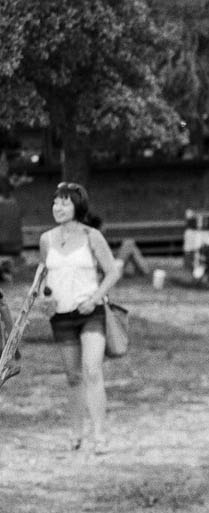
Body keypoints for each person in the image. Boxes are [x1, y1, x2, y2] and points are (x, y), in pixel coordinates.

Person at [38, 182, 121, 453]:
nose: (58, 208)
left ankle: (100, 435)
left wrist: (94, 299)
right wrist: (42, 296)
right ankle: (76, 432)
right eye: (55, 202)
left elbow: (112, 272)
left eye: (64, 202)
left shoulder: (91, 236)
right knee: (73, 377)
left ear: (77, 206)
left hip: (90, 313)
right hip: (61, 316)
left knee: (92, 370)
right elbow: (42, 277)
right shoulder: (46, 239)